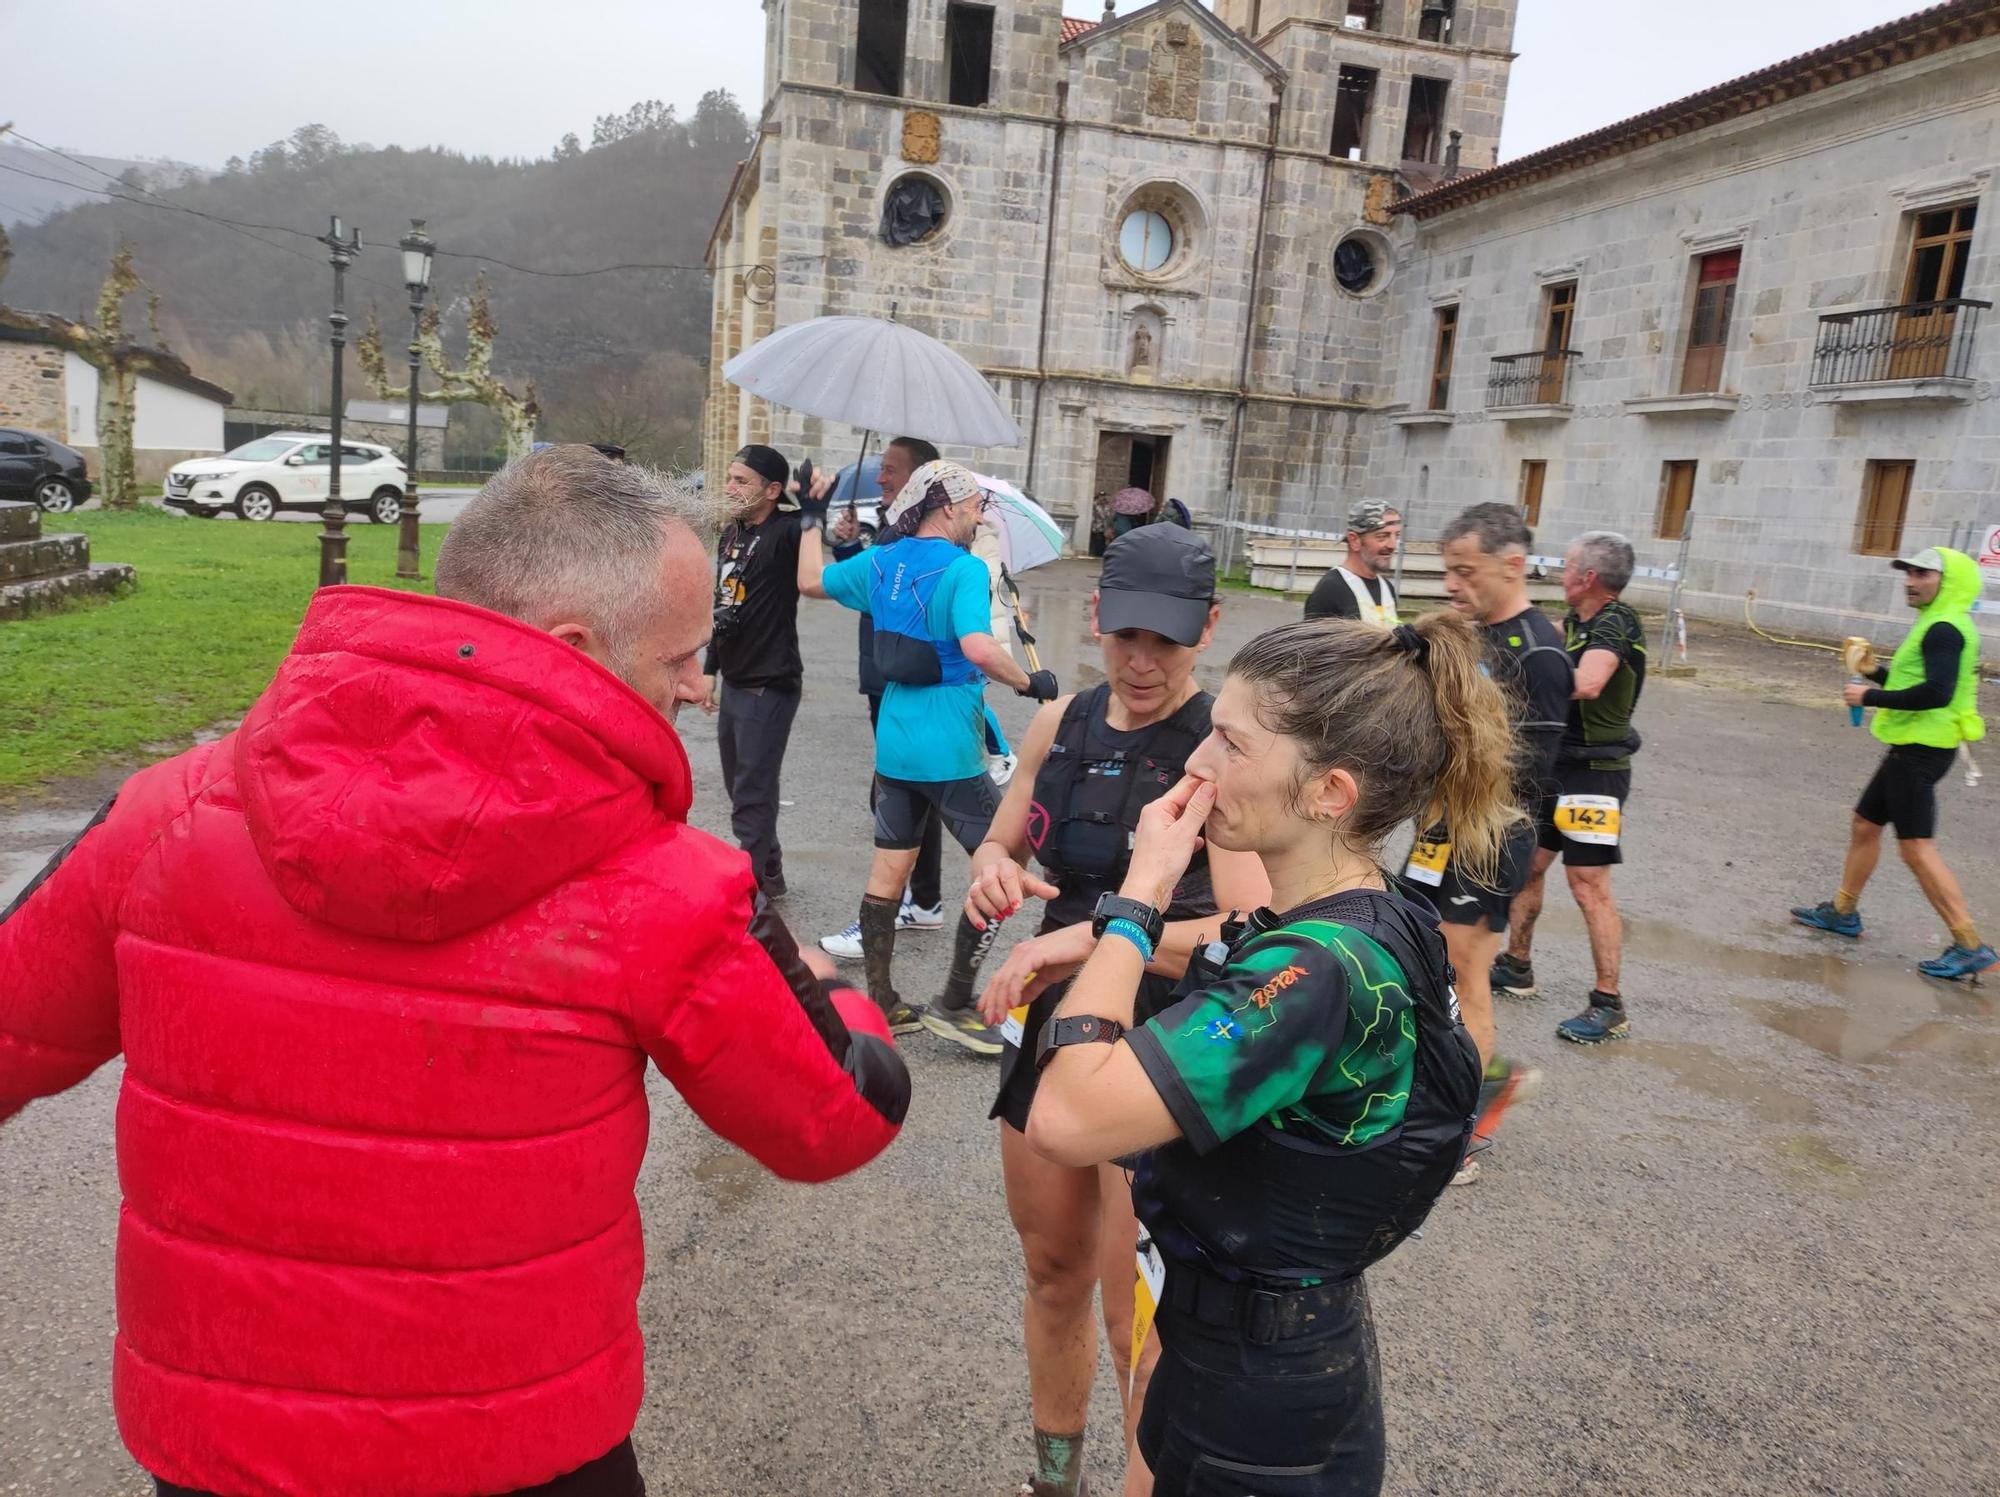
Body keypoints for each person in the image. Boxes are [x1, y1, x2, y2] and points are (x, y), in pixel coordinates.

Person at [0, 445, 910, 1497]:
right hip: (516, 1450)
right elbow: (831, 1120)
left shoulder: (162, 815)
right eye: (676, 662)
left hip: (224, 1448)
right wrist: (827, 986)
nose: (697, 691)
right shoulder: (667, 886)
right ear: (575, 648)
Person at [1024, 613, 1511, 1496]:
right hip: (1269, 1358)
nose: (1197, 765)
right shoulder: (1375, 910)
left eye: (1229, 743)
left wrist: (1138, 897)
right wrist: (1086, 942)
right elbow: (1240, 959)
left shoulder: (1316, 969)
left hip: (1260, 1417)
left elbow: (1065, 1116)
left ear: (1330, 793)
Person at [962, 527, 1271, 1497]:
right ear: (1094, 619)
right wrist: (993, 874)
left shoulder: (1224, 754)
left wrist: (1097, 938)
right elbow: (1000, 840)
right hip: (1052, 1035)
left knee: (1135, 1314)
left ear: (1207, 630)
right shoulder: (1064, 722)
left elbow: (1249, 933)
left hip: (1163, 1049)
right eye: (1124, 635)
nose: (1141, 663)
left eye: (1167, 642)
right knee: (1051, 1274)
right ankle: (1054, 1479)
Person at [800, 458, 1059, 1035]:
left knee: (887, 876)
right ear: (947, 508)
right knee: (1007, 862)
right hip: (950, 747)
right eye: (972, 508)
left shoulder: (880, 560)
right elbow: (977, 647)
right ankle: (957, 1001)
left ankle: (884, 1001)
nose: (977, 517)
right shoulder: (964, 569)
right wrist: (1027, 681)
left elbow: (810, 582)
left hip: (895, 744)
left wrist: (810, 517)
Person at [1422, 501, 1571, 1184]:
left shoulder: (1539, 653)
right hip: (1440, 826)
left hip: (1490, 836)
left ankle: (1464, 1137)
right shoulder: (1472, 634)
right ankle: (1474, 1079)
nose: (1453, 583)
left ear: (1512, 564)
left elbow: (1529, 778)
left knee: (1462, 973)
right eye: (1447, 570)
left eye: (1465, 571)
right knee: (1419, 958)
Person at [1792, 545, 1995, 980]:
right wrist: (1872, 671)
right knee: (1865, 823)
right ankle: (1843, 912)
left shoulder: (1944, 629)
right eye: (1908, 573)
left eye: (1922, 574)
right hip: (1912, 745)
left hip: (1922, 749)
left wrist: (1870, 698)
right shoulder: (1934, 625)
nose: (1910, 581)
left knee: (1917, 848)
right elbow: (1915, 683)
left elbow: (1937, 693)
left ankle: (1970, 944)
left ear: (1949, 582)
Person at [1492, 530, 1648, 1043]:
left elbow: (1588, 682)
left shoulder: (1615, 622)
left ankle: (1609, 1003)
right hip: (1557, 764)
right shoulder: (1575, 624)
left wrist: (1526, 675)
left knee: (1587, 885)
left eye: (1566, 567)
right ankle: (1517, 966)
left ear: (1589, 578)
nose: (1559, 575)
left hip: (1595, 775)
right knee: (1529, 865)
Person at [816, 438, 949, 958]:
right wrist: (850, 548)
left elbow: (896, 595)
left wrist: (827, 539)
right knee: (910, 793)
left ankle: (910, 904)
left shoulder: (917, 533)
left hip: (907, 677)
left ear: (920, 477)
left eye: (891, 470)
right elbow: (870, 590)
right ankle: (925, 901)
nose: (880, 478)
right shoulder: (895, 528)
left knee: (904, 794)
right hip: (887, 675)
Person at [700, 443, 807, 898]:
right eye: (729, 478)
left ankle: (751, 892)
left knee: (752, 793)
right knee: (739, 786)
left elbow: (827, 557)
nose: (730, 487)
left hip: (770, 681)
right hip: (736, 677)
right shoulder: (732, 534)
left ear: (773, 489)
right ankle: (772, 871)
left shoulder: (788, 533)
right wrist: (710, 669)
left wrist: (819, 515)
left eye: (741, 480)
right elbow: (725, 604)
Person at [1303, 500, 1402, 628]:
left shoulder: (1387, 588)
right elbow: (1312, 646)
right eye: (1382, 536)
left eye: (1397, 536)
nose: (1392, 545)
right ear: (1354, 540)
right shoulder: (1330, 590)